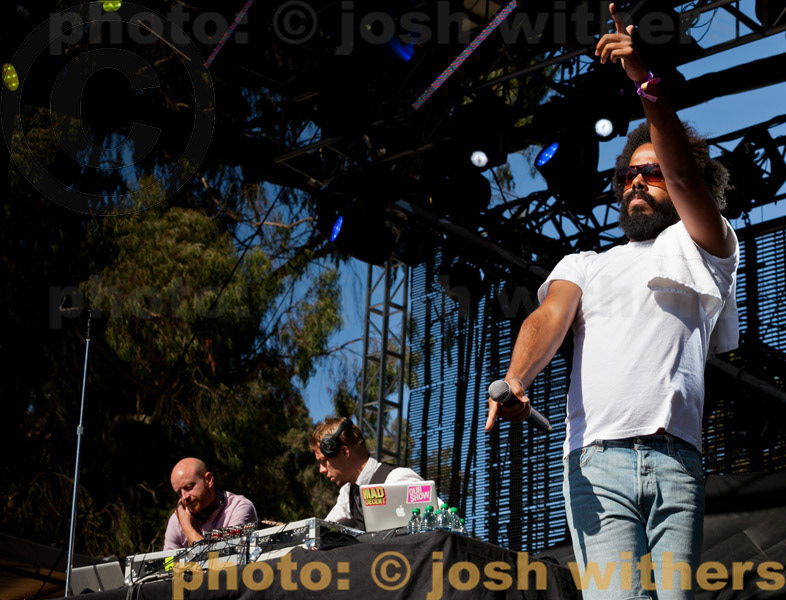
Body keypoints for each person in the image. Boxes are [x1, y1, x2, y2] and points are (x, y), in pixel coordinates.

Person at [486, 4, 737, 599]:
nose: (636, 183)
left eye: (650, 173)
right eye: (628, 176)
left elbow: (683, 175)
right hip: (597, 465)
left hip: (678, 461)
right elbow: (548, 317)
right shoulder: (585, 264)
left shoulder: (706, 244)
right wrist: (518, 378)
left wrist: (645, 82)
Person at [310, 417, 423, 529]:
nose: (321, 470)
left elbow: (431, 525)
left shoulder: (399, 478)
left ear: (344, 452)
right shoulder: (347, 493)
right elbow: (322, 530)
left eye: (324, 461)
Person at [164, 457, 258, 549]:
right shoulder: (177, 520)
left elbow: (222, 556)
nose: (184, 497)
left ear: (208, 480)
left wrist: (186, 527)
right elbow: (168, 559)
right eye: (179, 493)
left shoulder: (239, 508)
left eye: (189, 487)